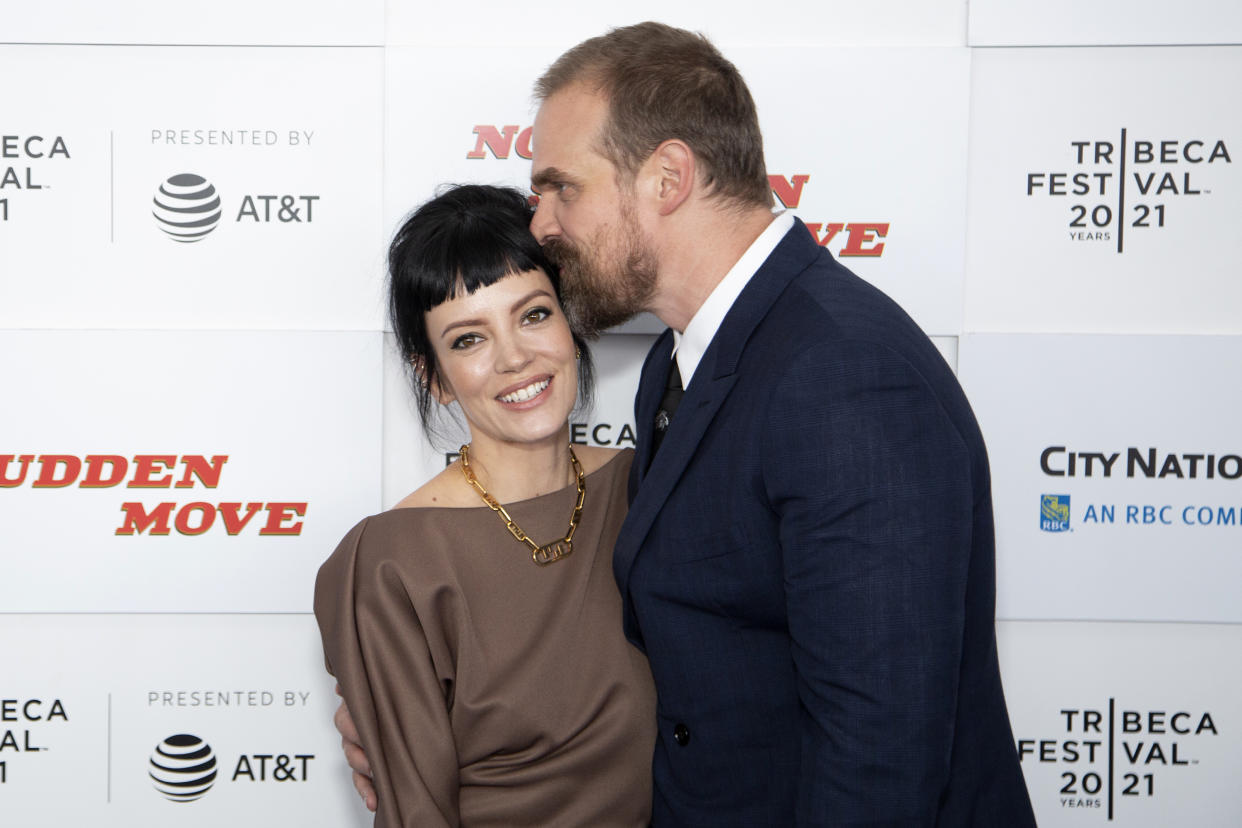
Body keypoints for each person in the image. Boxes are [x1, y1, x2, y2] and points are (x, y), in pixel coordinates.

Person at [341, 22, 1036, 825]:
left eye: (564, 187)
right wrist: (427, 723)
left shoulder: (844, 375)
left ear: (667, 177)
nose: (542, 225)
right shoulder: (682, 364)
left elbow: (880, 751)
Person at [314, 184, 656, 827]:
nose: (515, 357)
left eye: (532, 314)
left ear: (570, 320)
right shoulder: (391, 564)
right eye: (468, 339)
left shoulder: (652, 488)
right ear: (435, 376)